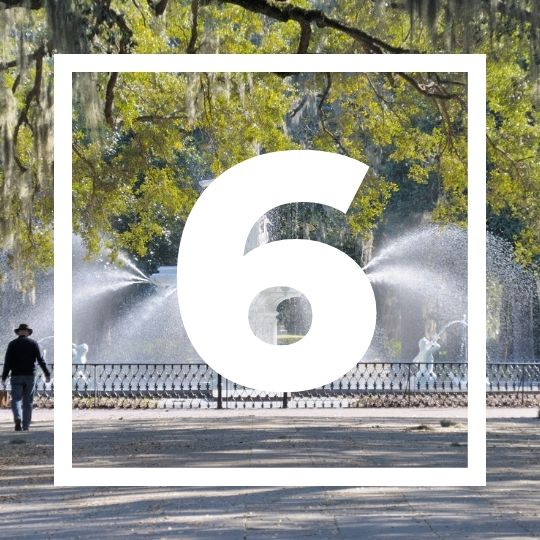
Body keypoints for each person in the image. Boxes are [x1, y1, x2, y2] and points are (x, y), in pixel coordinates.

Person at [1, 323, 50, 432]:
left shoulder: (12, 344)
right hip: (30, 376)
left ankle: (18, 418)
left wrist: (4, 377)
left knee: (16, 399)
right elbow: (41, 360)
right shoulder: (34, 343)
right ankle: (26, 425)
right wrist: (47, 373)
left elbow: (7, 363)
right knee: (28, 402)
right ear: (28, 332)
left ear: (18, 332)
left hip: (16, 376)